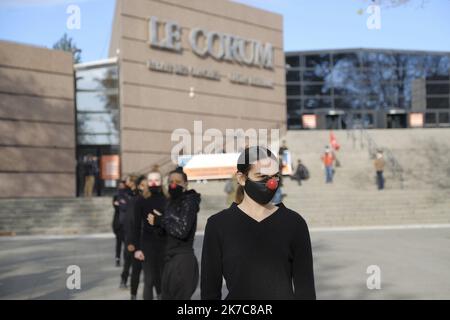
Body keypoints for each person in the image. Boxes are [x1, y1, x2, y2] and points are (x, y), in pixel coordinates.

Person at [200, 146, 316, 300]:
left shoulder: (294, 223)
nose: (271, 184)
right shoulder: (218, 225)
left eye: (275, 177)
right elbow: (209, 291)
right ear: (241, 178)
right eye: (262, 177)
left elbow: (305, 289)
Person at [147, 166, 201, 300]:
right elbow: (166, 233)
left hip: (183, 261)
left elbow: (182, 230)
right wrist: (156, 225)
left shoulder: (189, 201)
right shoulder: (170, 202)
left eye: (177, 181)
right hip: (169, 260)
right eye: (170, 181)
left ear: (185, 184)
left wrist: (161, 220)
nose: (173, 184)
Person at [133, 168, 167, 300]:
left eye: (156, 180)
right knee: (149, 280)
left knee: (164, 281)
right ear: (147, 182)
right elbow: (136, 226)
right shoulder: (140, 201)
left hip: (165, 244)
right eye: (151, 180)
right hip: (147, 245)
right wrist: (136, 249)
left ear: (161, 181)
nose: (153, 183)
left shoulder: (168, 199)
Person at [118, 174, 138, 290]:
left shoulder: (138, 196)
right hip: (129, 232)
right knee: (128, 259)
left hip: (138, 231)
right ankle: (124, 279)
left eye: (128, 181)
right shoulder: (125, 194)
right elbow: (128, 217)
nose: (126, 183)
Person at [112, 180, 126, 267]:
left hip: (126, 223)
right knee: (118, 243)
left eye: (122, 185)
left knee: (126, 243)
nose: (121, 187)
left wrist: (120, 204)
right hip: (118, 223)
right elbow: (116, 207)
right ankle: (117, 258)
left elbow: (125, 207)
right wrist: (121, 204)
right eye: (120, 185)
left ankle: (127, 259)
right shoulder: (116, 196)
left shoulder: (127, 196)